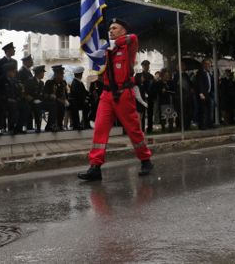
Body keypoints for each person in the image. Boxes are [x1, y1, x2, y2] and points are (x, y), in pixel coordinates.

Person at [78, 18, 153, 181]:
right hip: (106, 95)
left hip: (123, 93)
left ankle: (146, 160)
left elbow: (133, 37)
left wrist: (114, 43)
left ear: (123, 31)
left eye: (115, 28)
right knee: (99, 129)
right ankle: (95, 167)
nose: (111, 30)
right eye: (110, 28)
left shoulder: (128, 46)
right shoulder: (105, 49)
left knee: (133, 129)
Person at [0, 62, 23, 134]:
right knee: (7, 107)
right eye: (13, 71)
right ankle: (3, 127)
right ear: (8, 72)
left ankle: (18, 127)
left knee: (24, 106)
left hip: (14, 100)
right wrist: (7, 99)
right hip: (3, 101)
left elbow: (17, 92)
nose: (15, 73)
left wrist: (18, 97)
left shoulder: (14, 80)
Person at [44, 65, 68, 131]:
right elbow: (46, 95)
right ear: (56, 74)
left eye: (63, 74)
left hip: (60, 101)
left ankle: (60, 125)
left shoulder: (63, 83)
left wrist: (66, 100)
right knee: (56, 105)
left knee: (64, 105)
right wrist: (56, 98)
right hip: (50, 101)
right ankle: (51, 125)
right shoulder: (49, 82)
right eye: (61, 74)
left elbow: (65, 93)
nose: (63, 75)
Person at [134, 60, 155, 134]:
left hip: (150, 97)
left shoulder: (151, 76)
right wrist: (141, 82)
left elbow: (153, 87)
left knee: (150, 113)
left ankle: (150, 129)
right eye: (145, 65)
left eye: (147, 65)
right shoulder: (138, 75)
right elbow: (135, 86)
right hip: (141, 97)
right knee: (141, 113)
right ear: (142, 66)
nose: (146, 67)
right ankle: (142, 128)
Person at [24, 65, 46, 132]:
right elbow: (26, 94)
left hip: (40, 101)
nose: (43, 74)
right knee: (36, 107)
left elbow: (42, 94)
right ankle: (37, 127)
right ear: (39, 73)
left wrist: (41, 100)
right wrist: (33, 100)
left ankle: (49, 125)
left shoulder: (42, 83)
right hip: (30, 102)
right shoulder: (29, 81)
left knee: (51, 105)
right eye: (43, 72)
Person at [17, 55, 34, 131]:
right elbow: (21, 85)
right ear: (25, 62)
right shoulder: (21, 71)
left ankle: (29, 126)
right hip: (24, 96)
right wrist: (25, 95)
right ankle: (27, 126)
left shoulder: (28, 71)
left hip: (30, 95)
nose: (32, 62)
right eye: (31, 61)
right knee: (27, 109)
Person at [197, 59, 215, 129]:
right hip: (203, 94)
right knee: (203, 110)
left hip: (209, 93)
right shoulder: (200, 72)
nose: (209, 65)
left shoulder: (208, 73)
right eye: (207, 64)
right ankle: (202, 125)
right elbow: (199, 83)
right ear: (204, 64)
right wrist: (201, 93)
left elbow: (211, 82)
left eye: (209, 64)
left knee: (210, 109)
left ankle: (209, 124)